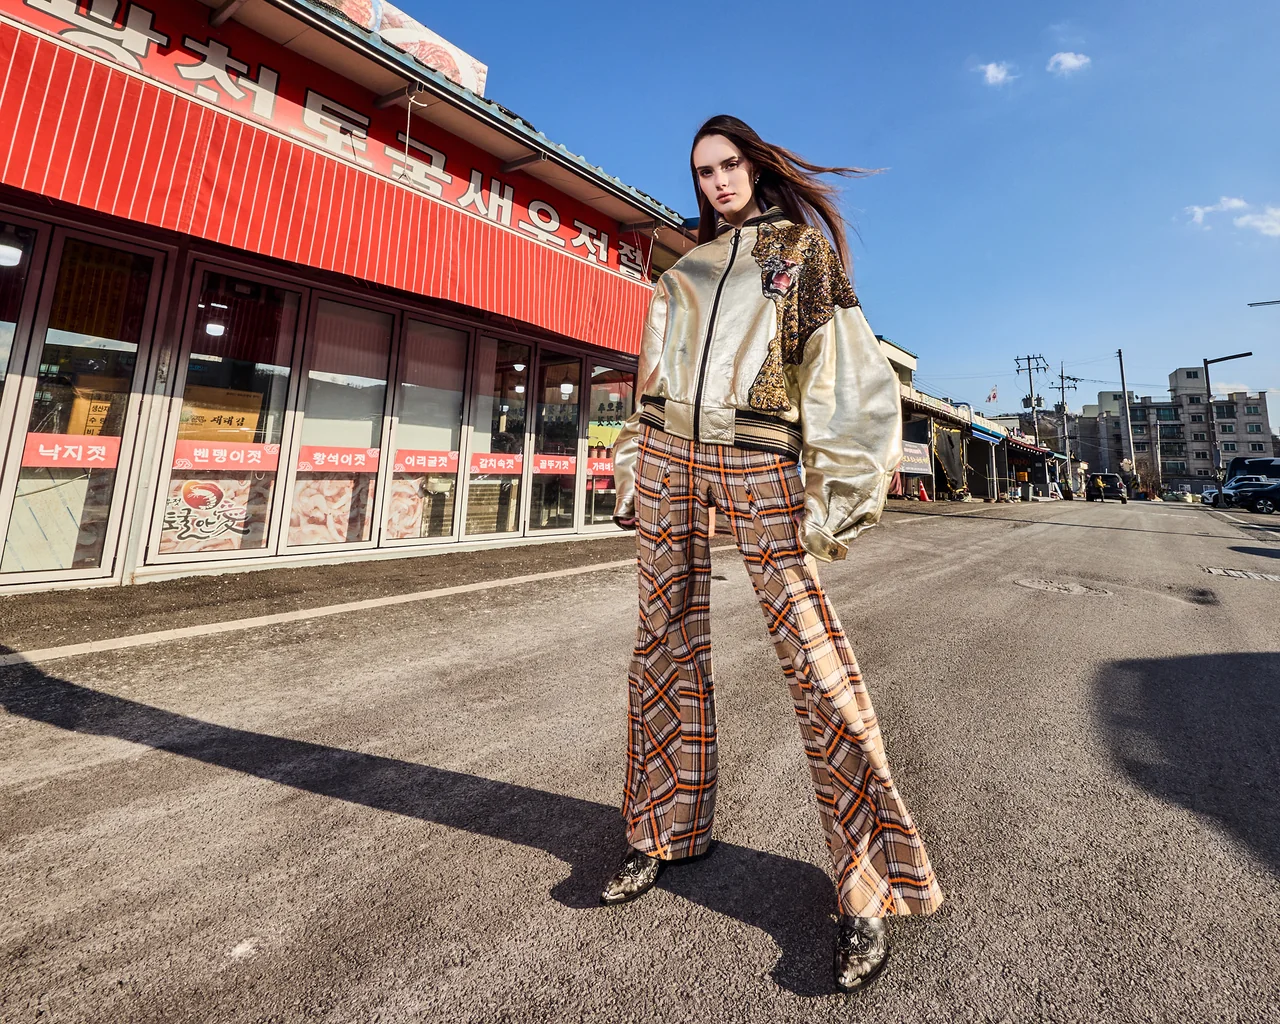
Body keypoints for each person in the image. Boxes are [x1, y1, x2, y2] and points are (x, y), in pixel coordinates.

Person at [600, 115, 942, 992]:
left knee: (812, 656)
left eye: (728, 165)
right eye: (702, 171)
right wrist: (634, 470)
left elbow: (847, 372)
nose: (716, 182)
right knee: (661, 645)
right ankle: (661, 830)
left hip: (760, 455)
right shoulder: (681, 269)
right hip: (669, 454)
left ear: (754, 165)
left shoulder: (799, 254)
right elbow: (649, 378)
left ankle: (866, 890)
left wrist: (839, 490)